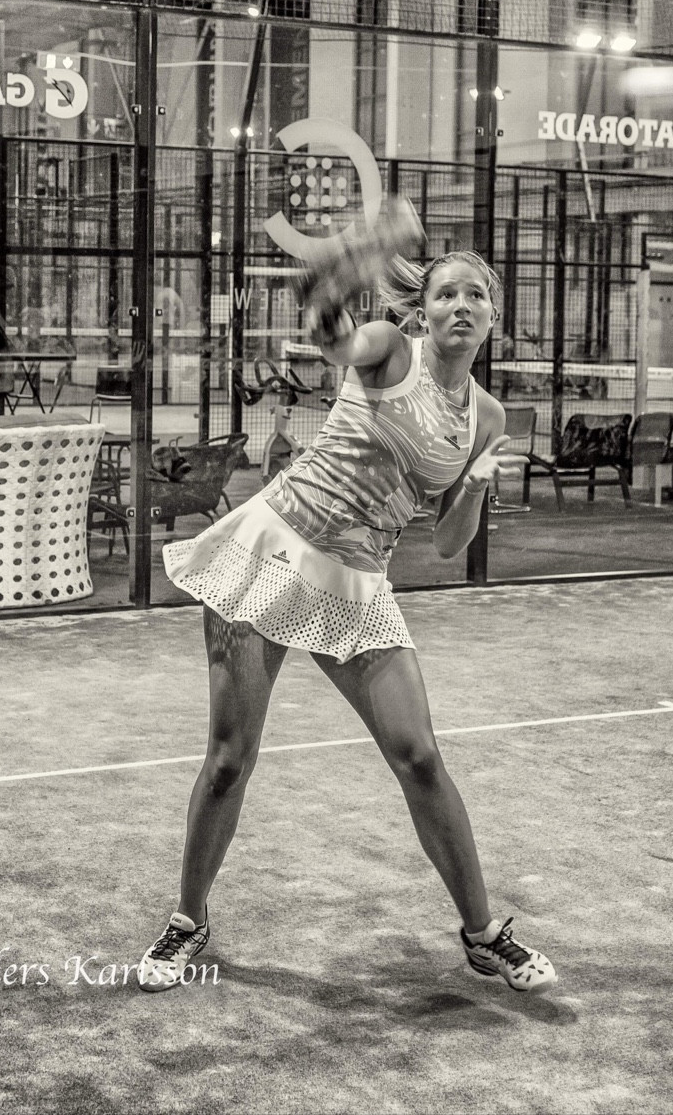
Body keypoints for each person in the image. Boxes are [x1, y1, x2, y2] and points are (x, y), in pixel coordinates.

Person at [138, 249, 556, 995]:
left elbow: (448, 543)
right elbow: (336, 340)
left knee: (419, 755)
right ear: (423, 311)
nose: (461, 305)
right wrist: (332, 285)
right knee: (230, 758)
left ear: (494, 314)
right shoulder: (391, 351)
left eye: (475, 295)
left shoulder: (486, 418)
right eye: (446, 294)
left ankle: (483, 934)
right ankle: (187, 918)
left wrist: (476, 487)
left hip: (358, 581)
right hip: (270, 552)